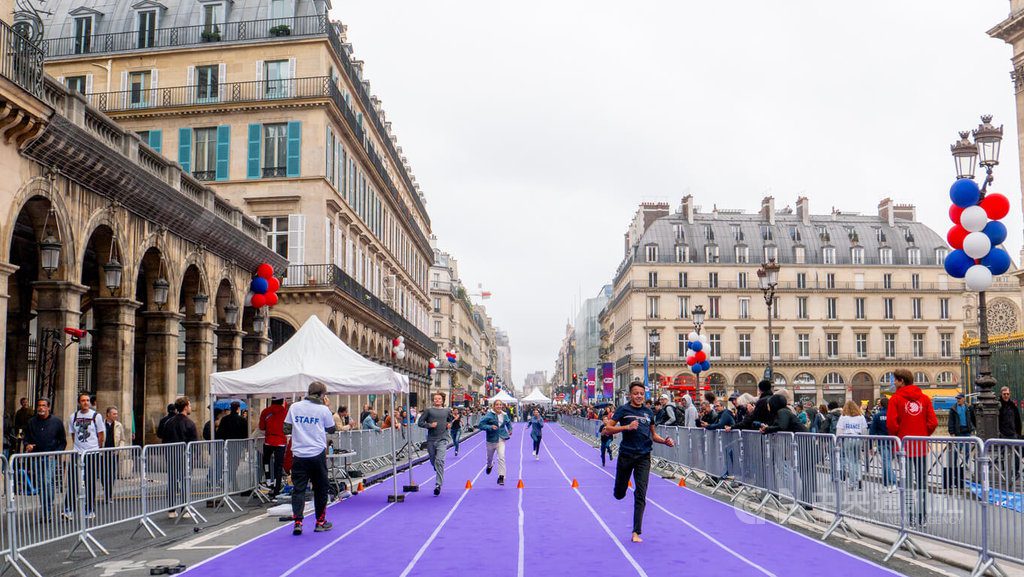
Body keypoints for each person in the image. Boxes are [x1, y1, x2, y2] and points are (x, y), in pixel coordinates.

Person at [602, 381, 675, 543]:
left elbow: (653, 435)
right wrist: (626, 427)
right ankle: (619, 490)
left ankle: (636, 532)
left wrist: (665, 441)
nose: (639, 396)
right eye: (636, 393)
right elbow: (608, 429)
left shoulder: (648, 412)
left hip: (644, 456)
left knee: (641, 493)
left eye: (641, 393)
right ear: (630, 395)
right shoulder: (623, 410)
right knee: (619, 494)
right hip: (626, 455)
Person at [284, 381, 337, 535]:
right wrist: (327, 409)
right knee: (320, 488)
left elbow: (286, 428)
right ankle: (320, 521)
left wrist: (300, 429)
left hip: (299, 454)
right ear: (322, 395)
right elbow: (331, 428)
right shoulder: (323, 410)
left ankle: (298, 522)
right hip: (317, 453)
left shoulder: (295, 406)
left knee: (298, 489)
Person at [886, 369, 937, 526]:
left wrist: (900, 435)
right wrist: (922, 434)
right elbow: (933, 422)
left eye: (895, 380)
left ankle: (910, 517)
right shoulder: (925, 399)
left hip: (904, 447)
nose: (894, 383)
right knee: (922, 482)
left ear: (901, 381)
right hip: (920, 446)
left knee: (907, 483)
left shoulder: (895, 399)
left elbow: (891, 424)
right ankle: (922, 517)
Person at [64, 393, 105, 520]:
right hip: (77, 453)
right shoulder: (73, 416)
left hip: (91, 453)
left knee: (90, 482)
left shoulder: (96, 416)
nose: (85, 403)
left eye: (87, 400)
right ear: (79, 402)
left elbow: (101, 435)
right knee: (73, 481)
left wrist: (95, 448)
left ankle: (89, 509)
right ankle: (68, 509)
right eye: (83, 400)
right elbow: (73, 434)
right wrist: (78, 447)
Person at [24, 398, 66, 521]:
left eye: (43, 406)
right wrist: (28, 445)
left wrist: (56, 453)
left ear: (48, 407)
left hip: (50, 457)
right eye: (39, 406)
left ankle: (48, 509)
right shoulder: (31, 422)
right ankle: (46, 509)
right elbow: (26, 438)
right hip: (36, 457)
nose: (41, 408)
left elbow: (63, 441)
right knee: (42, 484)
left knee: (48, 482)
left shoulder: (56, 422)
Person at [163, 396, 199, 518]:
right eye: (189, 405)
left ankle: (171, 510)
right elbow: (193, 443)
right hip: (184, 456)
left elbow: (164, 439)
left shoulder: (168, 422)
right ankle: (185, 508)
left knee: (172, 481)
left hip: (171, 454)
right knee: (185, 482)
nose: (191, 407)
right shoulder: (189, 423)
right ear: (185, 407)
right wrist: (195, 456)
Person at [417, 392, 453, 496]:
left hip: (443, 439)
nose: (437, 400)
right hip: (431, 439)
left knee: (440, 460)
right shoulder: (429, 410)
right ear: (433, 400)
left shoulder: (447, 410)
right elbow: (420, 423)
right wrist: (429, 425)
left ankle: (438, 484)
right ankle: (437, 469)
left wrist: (449, 424)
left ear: (442, 400)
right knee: (433, 460)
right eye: (435, 399)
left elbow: (450, 420)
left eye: (439, 399)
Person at [478, 400, 513, 486]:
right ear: (493, 406)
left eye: (500, 405)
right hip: (491, 439)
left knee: (501, 457)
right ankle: (489, 465)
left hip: (501, 438)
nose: (499, 406)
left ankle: (501, 476)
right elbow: (480, 425)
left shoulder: (504, 415)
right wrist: (490, 427)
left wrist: (510, 429)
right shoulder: (489, 415)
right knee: (490, 458)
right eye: (497, 405)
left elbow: (508, 423)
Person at [259, 398, 288, 498]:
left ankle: (268, 481)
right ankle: (276, 487)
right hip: (280, 441)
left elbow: (261, 427)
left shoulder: (265, 411)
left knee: (266, 461)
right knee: (278, 466)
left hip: (268, 441)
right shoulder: (285, 412)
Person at [836, 400, 867, 490]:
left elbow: (839, 430)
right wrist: (864, 440)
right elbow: (864, 429)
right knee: (857, 461)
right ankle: (860, 479)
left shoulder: (843, 417)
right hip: (858, 438)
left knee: (850, 461)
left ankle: (852, 483)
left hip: (847, 438)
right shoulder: (861, 416)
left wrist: (838, 441)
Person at [100, 406, 127, 502]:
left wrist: (120, 449)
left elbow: (122, 439)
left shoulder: (118, 425)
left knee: (111, 474)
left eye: (116, 413)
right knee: (102, 474)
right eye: (114, 414)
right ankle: (106, 487)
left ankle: (108, 494)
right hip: (102, 454)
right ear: (108, 414)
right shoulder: (100, 424)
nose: (116, 415)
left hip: (113, 454)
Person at [868, 397, 895, 490]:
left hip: (882, 442)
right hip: (894, 442)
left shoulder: (878, 415)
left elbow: (872, 431)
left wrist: (871, 446)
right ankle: (885, 484)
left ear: (880, 405)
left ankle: (893, 482)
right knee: (887, 462)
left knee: (886, 463)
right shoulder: (894, 414)